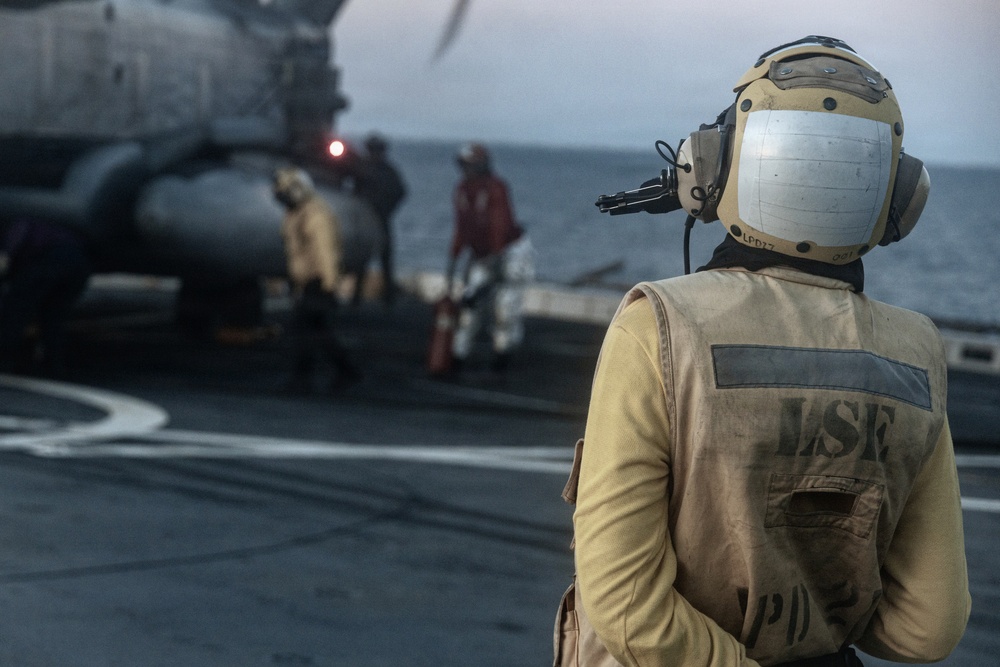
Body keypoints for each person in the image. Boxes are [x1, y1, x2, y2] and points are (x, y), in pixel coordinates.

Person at [556, 36, 970, 667]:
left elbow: (625, 608)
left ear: (710, 169)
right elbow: (929, 627)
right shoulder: (915, 353)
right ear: (899, 197)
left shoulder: (658, 326)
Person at [446, 142, 534, 374]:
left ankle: (502, 357)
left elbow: (500, 223)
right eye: (465, 165)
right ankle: (458, 355)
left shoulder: (496, 188)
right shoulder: (462, 191)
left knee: (506, 307)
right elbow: (462, 227)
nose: (467, 170)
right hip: (484, 256)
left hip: (512, 252)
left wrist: (495, 258)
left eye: (471, 165)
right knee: (469, 304)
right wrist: (454, 258)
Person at [273, 167, 360, 393]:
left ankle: (311, 377)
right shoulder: (296, 214)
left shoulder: (315, 215)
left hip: (318, 283)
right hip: (307, 282)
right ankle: (342, 372)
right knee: (317, 334)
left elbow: (325, 251)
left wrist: (329, 282)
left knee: (305, 333)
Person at [0, 218, 91, 376]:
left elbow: (5, 261)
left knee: (16, 309)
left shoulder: (16, 227)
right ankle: (53, 364)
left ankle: (7, 357)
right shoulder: (41, 223)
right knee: (53, 316)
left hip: (51, 260)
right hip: (77, 263)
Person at [347, 133, 408, 306]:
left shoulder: (386, 171)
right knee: (362, 258)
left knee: (384, 258)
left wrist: (385, 208)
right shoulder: (363, 167)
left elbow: (400, 192)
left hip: (379, 218)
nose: (374, 153)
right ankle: (357, 298)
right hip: (367, 219)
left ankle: (387, 299)